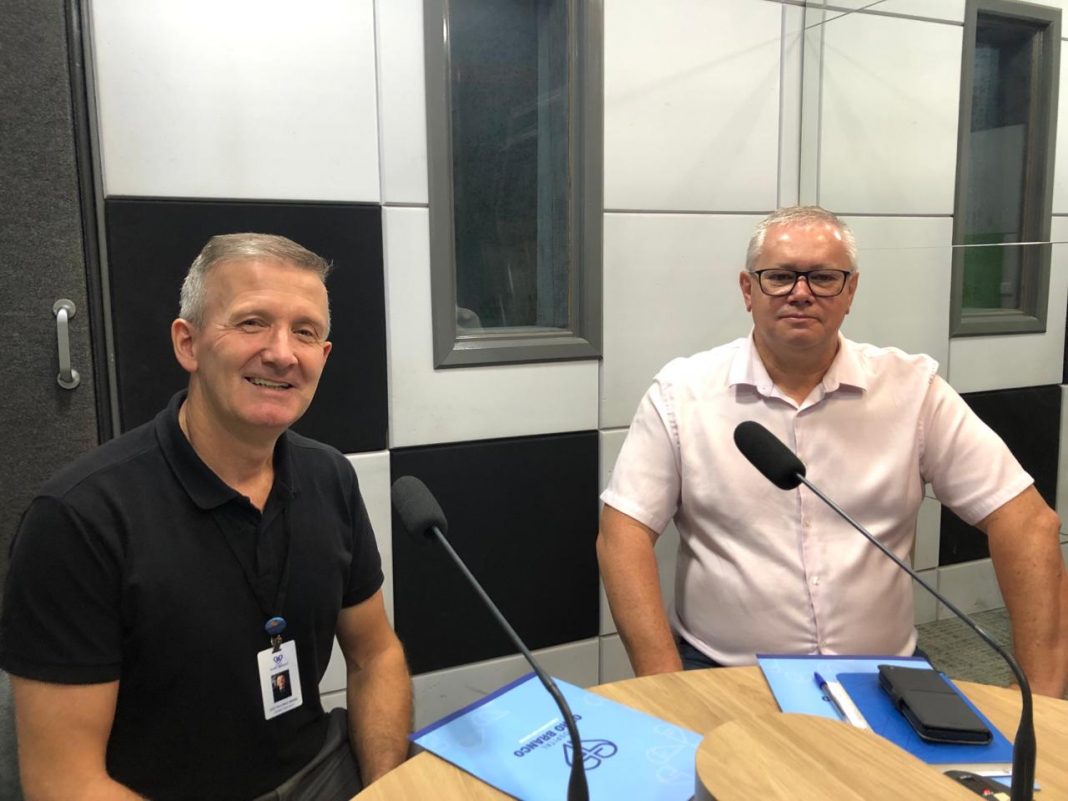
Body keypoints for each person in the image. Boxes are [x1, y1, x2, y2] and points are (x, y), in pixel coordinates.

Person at [0, 234, 412, 800]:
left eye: (304, 332)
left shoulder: (331, 477)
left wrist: (387, 790)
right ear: (187, 343)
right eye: (251, 323)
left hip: (319, 770)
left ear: (324, 355)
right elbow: (63, 782)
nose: (282, 353)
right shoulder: (79, 519)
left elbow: (375, 655)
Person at [598, 206, 1068, 698]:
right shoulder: (681, 393)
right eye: (779, 276)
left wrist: (1040, 694)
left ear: (850, 292)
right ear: (747, 290)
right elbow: (622, 534)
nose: (800, 293)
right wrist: (666, 683)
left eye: (823, 277)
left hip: (885, 672)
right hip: (725, 671)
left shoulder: (913, 389)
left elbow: (1028, 523)